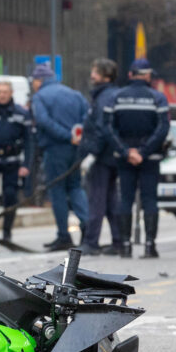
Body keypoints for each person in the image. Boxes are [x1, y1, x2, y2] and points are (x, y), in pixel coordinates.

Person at [106, 58, 170, 258]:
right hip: (150, 159)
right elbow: (163, 128)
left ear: (130, 75)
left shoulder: (116, 97)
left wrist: (127, 152)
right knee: (150, 199)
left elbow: (108, 128)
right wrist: (144, 152)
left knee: (125, 199)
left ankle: (125, 245)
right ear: (148, 76)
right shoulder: (158, 98)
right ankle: (150, 245)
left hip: (124, 158)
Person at [30, 63, 89, 252]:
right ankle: (87, 227)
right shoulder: (75, 94)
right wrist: (77, 136)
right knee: (75, 186)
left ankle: (64, 235)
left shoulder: (40, 97)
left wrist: (66, 136)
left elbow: (43, 121)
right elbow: (87, 117)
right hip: (75, 149)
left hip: (55, 149)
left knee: (57, 192)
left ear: (39, 81)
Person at [0, 80, 31, 245]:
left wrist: (26, 165)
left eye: (5, 92)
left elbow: (30, 141)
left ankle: (7, 234)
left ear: (11, 94)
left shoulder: (20, 113)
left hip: (12, 161)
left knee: (10, 197)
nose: (1, 95)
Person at [79, 58, 120, 256]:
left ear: (105, 76)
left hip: (102, 157)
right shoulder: (108, 95)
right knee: (112, 200)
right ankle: (119, 240)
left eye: (95, 72)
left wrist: (93, 153)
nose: (92, 76)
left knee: (97, 199)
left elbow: (103, 129)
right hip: (109, 156)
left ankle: (91, 242)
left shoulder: (104, 97)